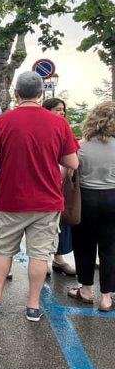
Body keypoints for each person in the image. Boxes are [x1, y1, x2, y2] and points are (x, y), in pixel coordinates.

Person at [0, 72, 79, 322]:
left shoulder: (2, 122)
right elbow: (73, 162)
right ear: (41, 94)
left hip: (11, 200)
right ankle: (33, 306)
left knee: (3, 250)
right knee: (39, 254)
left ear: (16, 93)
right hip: (47, 201)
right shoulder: (59, 123)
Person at [67, 102, 115, 311]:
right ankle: (107, 297)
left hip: (85, 198)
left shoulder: (81, 145)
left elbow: (70, 172)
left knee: (84, 244)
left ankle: (86, 289)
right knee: (110, 247)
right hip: (112, 196)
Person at [42, 98, 76, 276]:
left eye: (63, 109)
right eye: (57, 109)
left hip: (62, 182)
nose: (62, 112)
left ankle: (58, 258)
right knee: (44, 224)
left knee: (62, 223)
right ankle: (43, 259)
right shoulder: (43, 128)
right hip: (47, 182)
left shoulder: (65, 128)